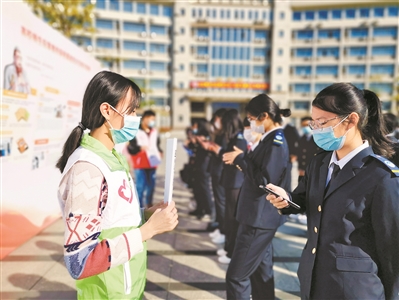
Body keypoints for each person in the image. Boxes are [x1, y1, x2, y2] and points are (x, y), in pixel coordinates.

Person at [266, 83, 399, 300]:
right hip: (314, 280)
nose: (317, 129)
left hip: (355, 289)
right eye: (314, 122)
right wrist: (287, 199)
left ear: (352, 120)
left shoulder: (381, 175)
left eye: (323, 122)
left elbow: (393, 249)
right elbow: (305, 197)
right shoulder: (320, 163)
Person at [56, 71, 178, 299]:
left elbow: (112, 219)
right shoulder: (88, 168)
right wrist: (147, 230)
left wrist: (146, 215)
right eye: (131, 110)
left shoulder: (111, 155)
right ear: (106, 110)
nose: (136, 117)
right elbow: (79, 262)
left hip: (127, 288)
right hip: (107, 293)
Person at [225, 94, 290, 300]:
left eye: (252, 119)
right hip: (258, 217)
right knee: (261, 275)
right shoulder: (269, 139)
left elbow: (266, 182)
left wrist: (242, 159)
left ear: (265, 116)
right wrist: (242, 159)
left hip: (258, 219)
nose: (251, 123)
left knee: (236, 277)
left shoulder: (275, 142)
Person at [207, 109, 247, 264]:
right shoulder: (234, 137)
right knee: (229, 216)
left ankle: (231, 252)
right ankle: (229, 248)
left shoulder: (239, 138)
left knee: (232, 218)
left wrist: (220, 151)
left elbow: (233, 158)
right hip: (231, 181)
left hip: (236, 182)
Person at [127, 110, 163, 208]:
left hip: (152, 161)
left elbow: (157, 145)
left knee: (151, 186)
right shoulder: (135, 131)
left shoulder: (154, 132)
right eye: (151, 119)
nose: (153, 122)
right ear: (145, 118)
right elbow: (131, 148)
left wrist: (160, 152)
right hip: (140, 163)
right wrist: (139, 148)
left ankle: (149, 204)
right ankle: (140, 208)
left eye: (154, 120)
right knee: (140, 187)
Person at [206, 108, 227, 235]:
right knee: (218, 198)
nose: (215, 122)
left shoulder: (226, 134)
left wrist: (214, 148)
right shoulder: (219, 133)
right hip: (215, 169)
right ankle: (219, 221)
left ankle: (222, 225)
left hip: (221, 170)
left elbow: (224, 152)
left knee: (221, 199)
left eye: (217, 119)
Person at [189, 119, 214, 220]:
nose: (193, 128)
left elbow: (207, 147)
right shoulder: (196, 135)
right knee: (197, 187)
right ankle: (200, 208)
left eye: (195, 126)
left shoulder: (208, 135)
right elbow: (190, 146)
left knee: (204, 187)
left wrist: (200, 140)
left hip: (204, 164)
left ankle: (208, 210)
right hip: (197, 164)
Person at [282, 117, 300, 191]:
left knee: (287, 176)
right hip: (278, 156)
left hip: (289, 156)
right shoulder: (276, 128)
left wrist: (295, 154)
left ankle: (287, 193)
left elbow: (300, 142)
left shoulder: (291, 129)